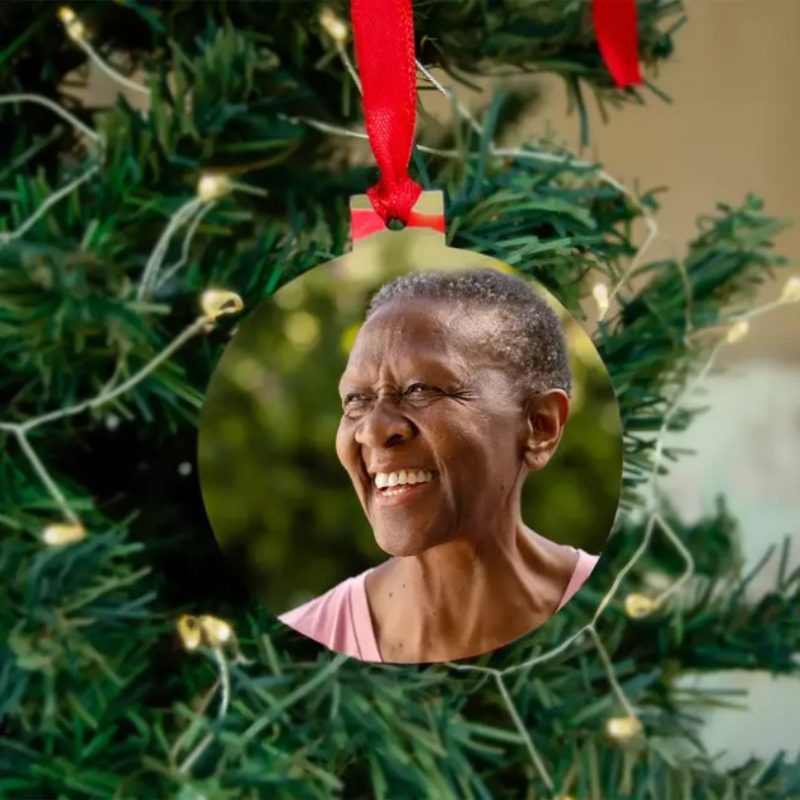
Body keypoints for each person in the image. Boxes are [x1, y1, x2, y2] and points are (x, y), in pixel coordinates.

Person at [279, 267, 600, 663]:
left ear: (540, 426)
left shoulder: (625, 614)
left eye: (420, 389)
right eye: (356, 400)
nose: (373, 430)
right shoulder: (299, 653)